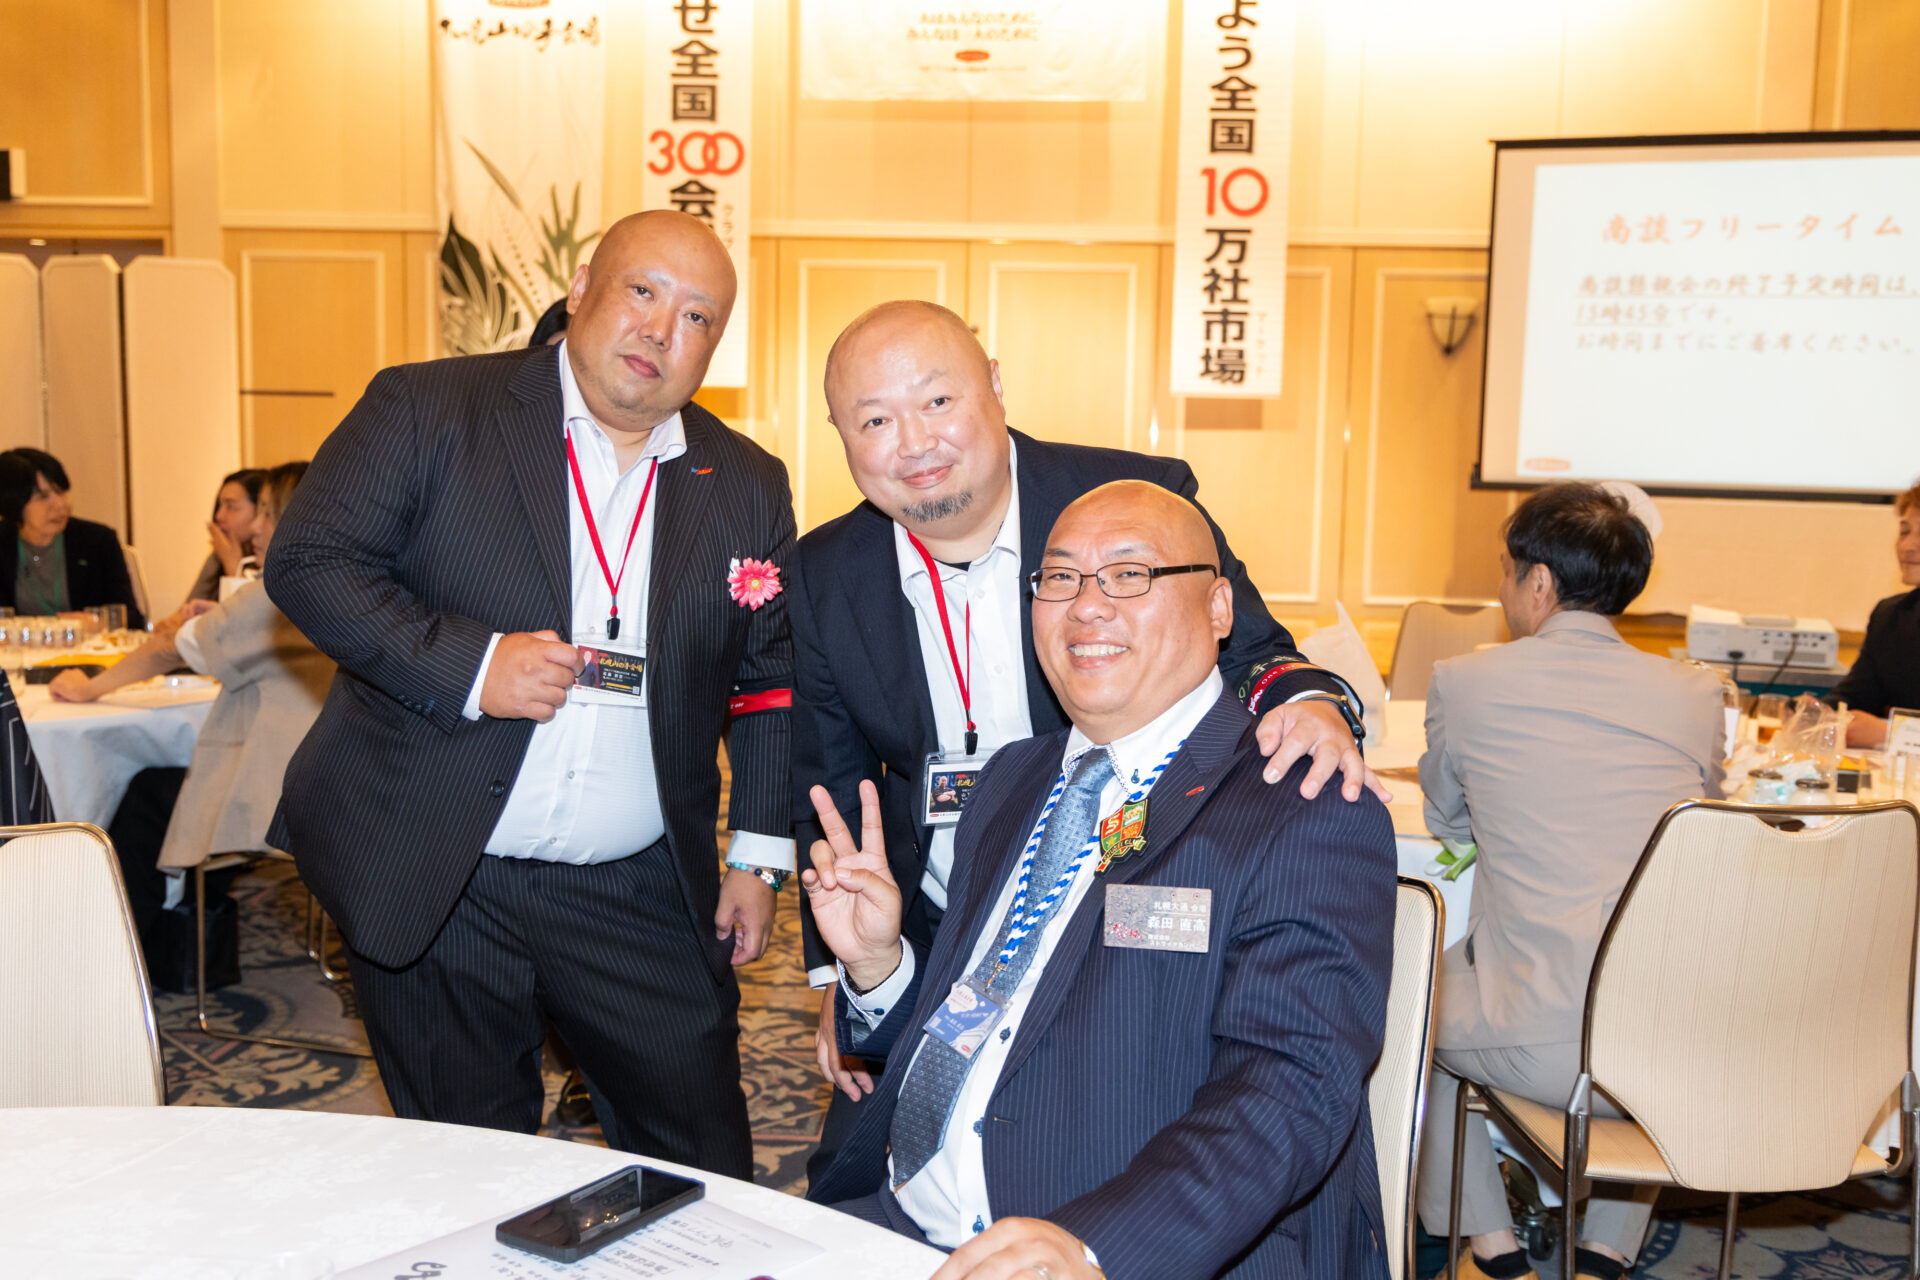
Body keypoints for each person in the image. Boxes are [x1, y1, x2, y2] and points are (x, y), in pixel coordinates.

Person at [792, 300, 1384, 1177]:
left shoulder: (1124, 502)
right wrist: (848, 975)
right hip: (937, 936)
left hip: (1122, 916)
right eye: (874, 420)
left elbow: (1252, 645)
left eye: (938, 402)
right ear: (841, 434)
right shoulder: (824, 570)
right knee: (850, 1176)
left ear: (995, 386)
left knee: (1075, 1147)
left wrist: (1312, 700)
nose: (914, 443)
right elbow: (834, 783)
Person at [262, 210, 794, 1176]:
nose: (661, 329)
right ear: (582, 286)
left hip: (638, 883)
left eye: (697, 317)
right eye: (642, 291)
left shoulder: (746, 481)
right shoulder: (431, 407)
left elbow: (766, 681)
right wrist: (472, 667)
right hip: (440, 869)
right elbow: (311, 560)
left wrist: (758, 856)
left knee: (700, 1162)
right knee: (467, 1170)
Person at [804, 480, 1396, 1279]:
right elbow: (999, 1020)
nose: (1086, 606)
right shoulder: (1013, 782)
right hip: (907, 1219)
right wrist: (880, 967)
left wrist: (1091, 1246)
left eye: (1129, 574)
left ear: (1219, 607)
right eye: (1059, 577)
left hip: (1114, 1244)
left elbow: (1291, 1091)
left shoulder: (1297, 806)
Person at [1413, 483, 1725, 1280]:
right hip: (1681, 1044)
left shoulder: (1465, 681)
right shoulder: (1696, 691)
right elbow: (1707, 828)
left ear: (1540, 582)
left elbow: (1447, 819)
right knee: (1648, 1020)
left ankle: (1493, 1252)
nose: (1503, 589)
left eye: (1508, 571)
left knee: (1408, 1011)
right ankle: (1606, 1255)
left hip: (1541, 1043)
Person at [53, 463, 332, 946]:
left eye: (267, 512)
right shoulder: (343, 583)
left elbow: (168, 648)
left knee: (142, 794)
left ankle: (124, 945)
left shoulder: (277, 591)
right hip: (327, 774)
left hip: (275, 786)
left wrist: (89, 688)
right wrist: (226, 612)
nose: (255, 528)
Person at [0, 447, 145, 627]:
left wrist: (96, 622)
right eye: (42, 497)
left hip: (86, 644)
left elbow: (132, 618)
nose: (60, 505)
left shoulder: (98, 541)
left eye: (61, 491)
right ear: (13, 505)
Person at [1830, 477, 1920, 746]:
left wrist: (1891, 734)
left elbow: (1878, 730)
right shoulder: (1890, 616)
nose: (1908, 546)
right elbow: (1854, 698)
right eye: (1904, 532)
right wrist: (1813, 714)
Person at [187, 468, 269, 602]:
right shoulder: (218, 556)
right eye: (219, 506)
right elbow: (185, 610)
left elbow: (251, 610)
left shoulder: (268, 559)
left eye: (231, 507)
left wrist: (232, 565)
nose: (219, 516)